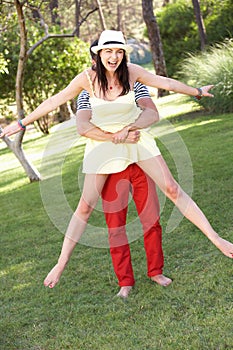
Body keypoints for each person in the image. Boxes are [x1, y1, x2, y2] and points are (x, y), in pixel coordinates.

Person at [1, 30, 233, 292]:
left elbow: (164, 82)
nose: (114, 56)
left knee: (171, 188)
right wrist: (20, 123)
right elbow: (55, 101)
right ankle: (60, 263)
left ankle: (217, 239)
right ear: (98, 54)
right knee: (86, 206)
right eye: (109, 51)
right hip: (103, 147)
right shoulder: (86, 80)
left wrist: (197, 91)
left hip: (135, 140)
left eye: (119, 51)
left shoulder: (132, 73)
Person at [76, 81, 172, 298]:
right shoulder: (85, 92)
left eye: (117, 53)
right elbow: (83, 127)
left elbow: (150, 111)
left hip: (140, 159)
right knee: (115, 228)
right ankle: (125, 282)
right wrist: (115, 136)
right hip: (109, 166)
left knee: (151, 219)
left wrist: (128, 128)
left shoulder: (135, 84)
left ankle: (156, 272)